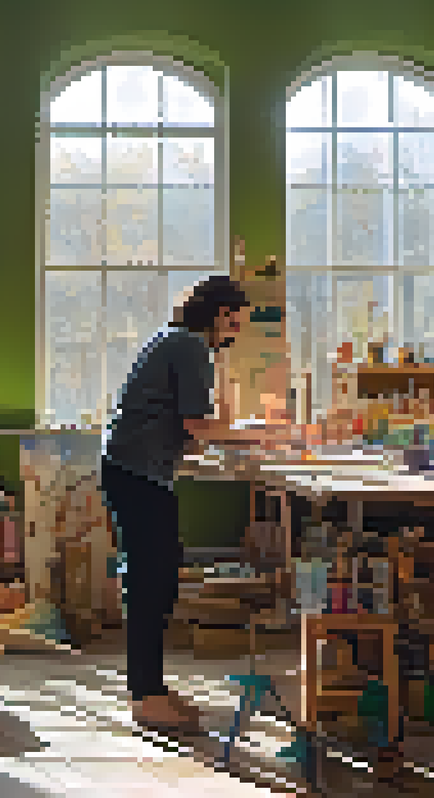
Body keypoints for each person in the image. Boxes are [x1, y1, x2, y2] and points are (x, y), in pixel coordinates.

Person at [100, 275, 246, 733]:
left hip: (132, 470)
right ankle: (146, 697)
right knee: (151, 584)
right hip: (138, 474)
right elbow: (198, 424)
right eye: (235, 323)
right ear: (220, 315)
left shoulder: (175, 340)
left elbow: (184, 425)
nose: (235, 334)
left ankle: (152, 688)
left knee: (157, 578)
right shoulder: (190, 347)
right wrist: (258, 437)